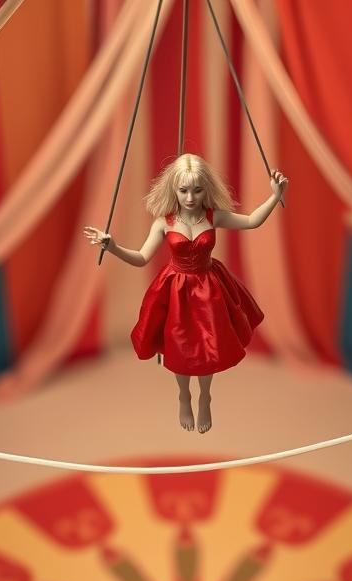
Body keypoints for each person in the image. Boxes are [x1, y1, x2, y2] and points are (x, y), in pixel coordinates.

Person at [84, 153, 288, 433]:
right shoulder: (163, 223)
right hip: (176, 290)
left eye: (197, 190)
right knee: (179, 345)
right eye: (183, 191)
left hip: (209, 288)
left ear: (207, 189)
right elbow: (142, 257)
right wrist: (113, 247)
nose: (190, 197)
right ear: (173, 190)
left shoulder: (212, 216)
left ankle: (205, 396)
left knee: (209, 345)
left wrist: (275, 196)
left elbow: (252, 220)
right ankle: (184, 395)